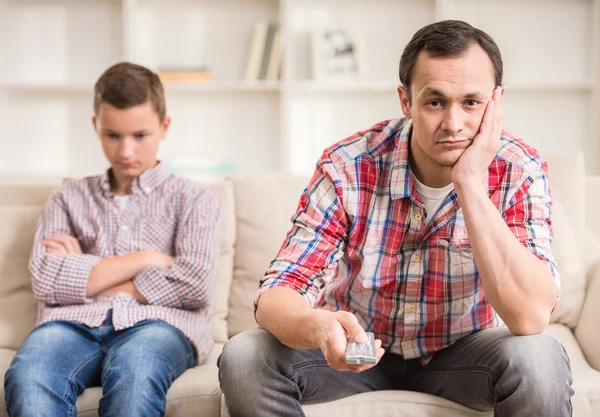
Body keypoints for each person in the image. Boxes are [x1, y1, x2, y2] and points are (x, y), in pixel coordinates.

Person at [218, 20, 573, 417]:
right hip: (356, 351)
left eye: (471, 103)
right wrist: (320, 327)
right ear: (406, 101)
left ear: (496, 102)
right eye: (435, 102)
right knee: (246, 355)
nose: (454, 124)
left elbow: (530, 317)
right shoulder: (349, 165)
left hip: (463, 355)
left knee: (541, 358)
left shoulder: (519, 170)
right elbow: (279, 292)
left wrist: (470, 183)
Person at [4, 62, 221, 417]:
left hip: (159, 326)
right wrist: (147, 259)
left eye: (140, 135)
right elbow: (46, 279)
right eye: (113, 135)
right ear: (96, 127)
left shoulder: (194, 199)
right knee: (30, 375)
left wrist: (90, 275)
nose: (126, 152)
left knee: (136, 371)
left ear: (164, 127)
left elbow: (194, 284)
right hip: (70, 324)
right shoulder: (68, 198)